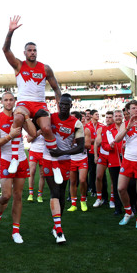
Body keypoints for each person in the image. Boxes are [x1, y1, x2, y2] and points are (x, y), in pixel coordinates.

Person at [1, 16, 63, 183]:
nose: (32, 53)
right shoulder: (19, 65)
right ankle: (15, 157)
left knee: (47, 129)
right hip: (24, 103)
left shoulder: (45, 68)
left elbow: (57, 88)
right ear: (25, 52)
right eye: (29, 50)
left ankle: (56, 165)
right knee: (18, 117)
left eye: (34, 50)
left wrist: (59, 108)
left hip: (40, 104)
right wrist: (10, 32)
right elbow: (5, 50)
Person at [0, 92, 35, 243]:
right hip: (6, 159)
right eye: (6, 100)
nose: (8, 102)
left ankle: (16, 231)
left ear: (15, 101)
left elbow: (33, 134)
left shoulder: (19, 117)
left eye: (11, 100)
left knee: (18, 196)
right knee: (6, 195)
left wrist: (26, 117)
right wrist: (9, 136)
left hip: (21, 159)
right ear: (2, 102)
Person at [39, 94, 84, 244]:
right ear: (58, 105)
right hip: (48, 159)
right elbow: (36, 122)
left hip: (64, 161)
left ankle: (56, 224)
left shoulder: (77, 123)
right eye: (62, 104)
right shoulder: (50, 118)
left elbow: (80, 147)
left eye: (67, 104)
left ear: (71, 106)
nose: (64, 106)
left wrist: (62, 152)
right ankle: (59, 230)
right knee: (55, 192)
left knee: (62, 193)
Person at [112, 100, 137, 229]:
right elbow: (117, 139)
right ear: (128, 110)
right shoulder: (125, 124)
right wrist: (128, 128)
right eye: (133, 108)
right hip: (128, 159)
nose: (136, 110)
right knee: (121, 188)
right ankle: (128, 212)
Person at [95, 110, 125, 215]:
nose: (109, 119)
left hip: (125, 159)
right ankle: (113, 205)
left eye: (118, 116)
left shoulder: (125, 127)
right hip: (111, 158)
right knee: (111, 181)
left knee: (127, 184)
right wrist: (108, 147)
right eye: (115, 116)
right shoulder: (105, 129)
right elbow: (101, 143)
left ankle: (129, 207)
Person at [67, 111, 90, 212]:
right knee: (72, 182)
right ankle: (73, 204)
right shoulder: (67, 130)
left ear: (79, 120)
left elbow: (88, 145)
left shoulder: (86, 130)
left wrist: (79, 141)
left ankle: (83, 200)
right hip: (71, 159)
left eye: (73, 119)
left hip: (82, 158)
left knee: (82, 180)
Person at [85, 109, 106, 197]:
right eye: (96, 114)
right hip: (90, 151)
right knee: (92, 171)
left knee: (102, 174)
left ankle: (101, 192)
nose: (98, 115)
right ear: (92, 116)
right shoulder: (87, 126)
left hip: (100, 151)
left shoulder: (102, 126)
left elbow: (102, 139)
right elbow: (88, 141)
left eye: (98, 114)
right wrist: (95, 141)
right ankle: (93, 189)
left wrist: (94, 141)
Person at [27, 132, 46, 202]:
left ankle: (40, 195)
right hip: (33, 151)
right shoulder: (33, 127)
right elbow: (28, 139)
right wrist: (38, 133)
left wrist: (44, 132)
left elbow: (50, 138)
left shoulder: (46, 126)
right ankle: (30, 194)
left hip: (44, 152)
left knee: (42, 174)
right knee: (32, 172)